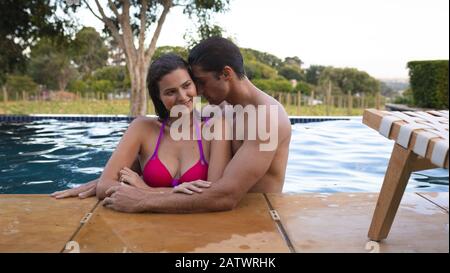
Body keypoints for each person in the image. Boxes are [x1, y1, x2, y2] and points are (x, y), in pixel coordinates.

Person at [53, 37, 292, 214]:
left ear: (225, 74)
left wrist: (143, 197)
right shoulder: (220, 110)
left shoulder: (267, 118)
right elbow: (168, 144)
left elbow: (225, 195)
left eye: (200, 82)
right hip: (215, 219)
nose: (195, 91)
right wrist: (108, 180)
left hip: (258, 224)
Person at [52, 53, 232, 200]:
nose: (183, 97)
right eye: (170, 92)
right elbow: (105, 186)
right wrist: (170, 193)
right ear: (158, 97)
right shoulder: (143, 128)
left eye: (186, 86)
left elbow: (213, 195)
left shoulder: (215, 128)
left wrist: (145, 189)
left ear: (195, 85)